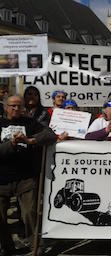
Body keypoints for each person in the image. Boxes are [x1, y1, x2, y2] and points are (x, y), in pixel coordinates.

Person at [0, 95, 56, 255]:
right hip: (2, 178)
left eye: (19, 106)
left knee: (29, 213)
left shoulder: (30, 123)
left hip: (25, 177)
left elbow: (50, 135)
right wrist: (11, 144)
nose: (16, 109)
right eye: (12, 106)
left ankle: (35, 246)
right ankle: (6, 246)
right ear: (5, 107)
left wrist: (30, 140)